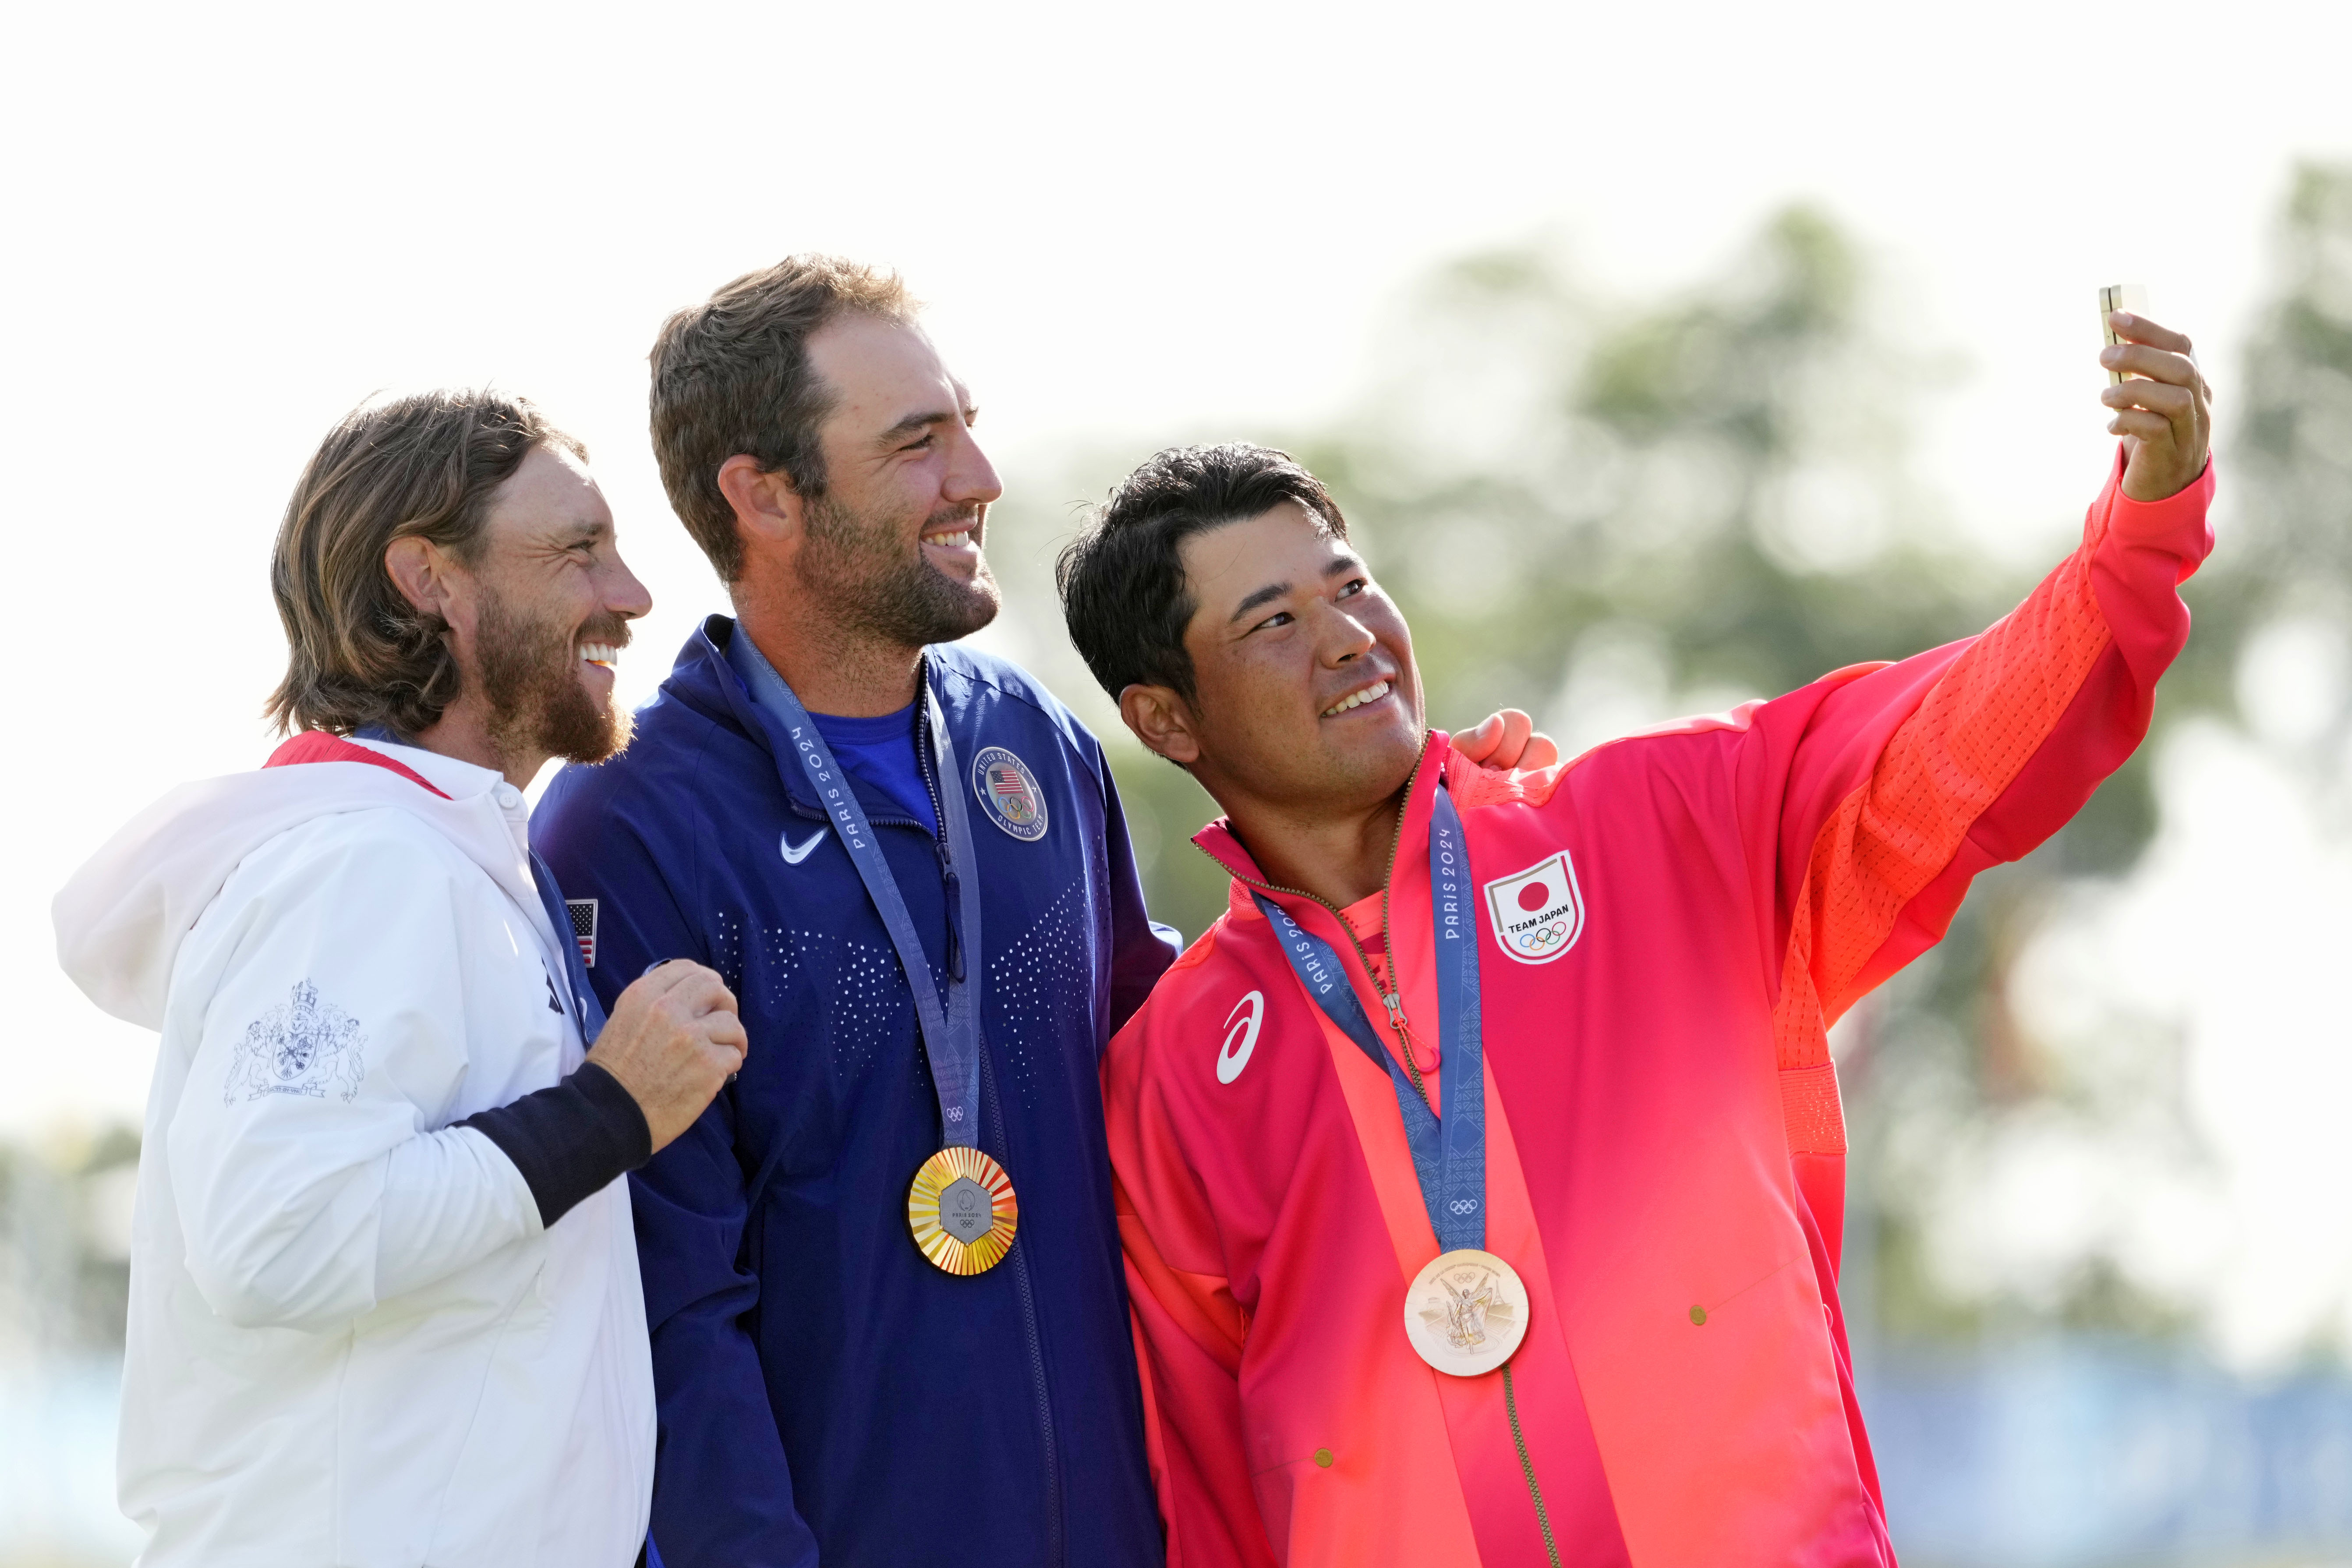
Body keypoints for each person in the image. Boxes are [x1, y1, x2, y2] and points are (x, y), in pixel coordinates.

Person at [1054, 314, 2216, 1566]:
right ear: (1166, 720)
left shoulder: (1654, 825)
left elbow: (1950, 743)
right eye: (1272, 622)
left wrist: (2138, 536)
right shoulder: (1175, 1068)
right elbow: (1204, 1488)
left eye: (1349, 586)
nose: (1347, 635)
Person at [530, 254, 1551, 1568]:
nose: (979, 476)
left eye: (966, 425)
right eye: (917, 444)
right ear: (763, 495)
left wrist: (1423, 849)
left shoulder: (1031, 743)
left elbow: (1192, 1093)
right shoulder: (630, 825)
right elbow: (665, 1302)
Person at [53, 390, 747, 1568]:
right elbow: (280, 1234)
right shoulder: (363, 864)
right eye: (578, 550)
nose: (632, 594)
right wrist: (612, 1109)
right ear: (430, 579)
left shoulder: (438, 855)